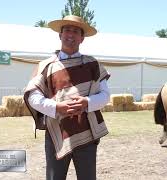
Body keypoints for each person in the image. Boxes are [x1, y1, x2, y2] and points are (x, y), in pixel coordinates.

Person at [24, 15, 110, 180]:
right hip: (57, 133)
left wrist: (88, 102)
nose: (71, 35)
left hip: (87, 134)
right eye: (67, 30)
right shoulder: (46, 66)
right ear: (60, 35)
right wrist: (56, 107)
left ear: (82, 38)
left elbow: (105, 95)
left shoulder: (93, 64)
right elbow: (33, 97)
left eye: (76, 31)